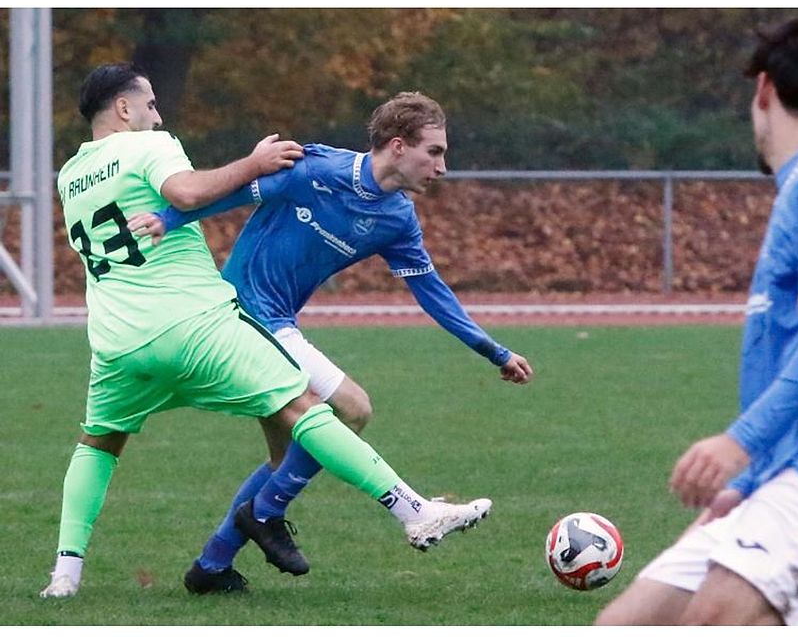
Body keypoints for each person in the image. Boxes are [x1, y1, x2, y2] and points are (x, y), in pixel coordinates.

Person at [40, 64, 492, 599]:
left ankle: (65, 577)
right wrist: (252, 163)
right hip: (195, 324)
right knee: (308, 409)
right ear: (124, 108)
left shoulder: (70, 175)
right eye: (152, 104)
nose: (156, 115)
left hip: (117, 341)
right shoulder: (149, 144)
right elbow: (187, 193)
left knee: (99, 444)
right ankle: (414, 512)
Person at [129, 91, 534, 593]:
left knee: (286, 461)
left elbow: (434, 295)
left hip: (278, 323)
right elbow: (240, 194)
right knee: (352, 409)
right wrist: (168, 220)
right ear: (398, 146)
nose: (443, 167)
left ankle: (210, 567)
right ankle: (294, 513)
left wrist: (494, 351)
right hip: (243, 313)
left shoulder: (397, 219)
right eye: (435, 152)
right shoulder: (317, 169)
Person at [595, 19, 798, 626]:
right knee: (629, 624)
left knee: (717, 619)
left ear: (764, 89)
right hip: (790, 472)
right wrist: (750, 483)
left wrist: (740, 442)